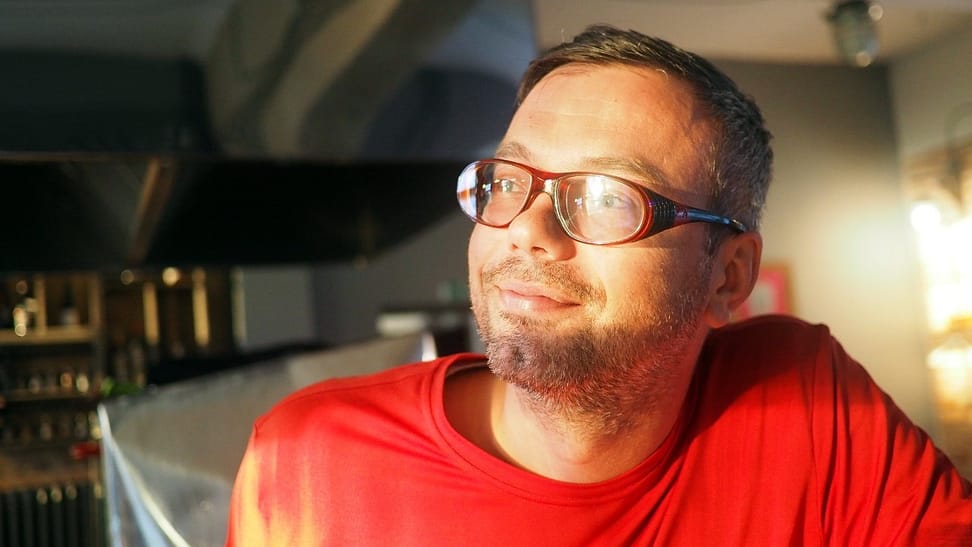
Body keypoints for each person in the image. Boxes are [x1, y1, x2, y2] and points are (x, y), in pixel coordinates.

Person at [226, 24, 972, 545]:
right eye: (507, 179)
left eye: (609, 197)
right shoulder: (307, 462)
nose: (528, 230)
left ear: (728, 276)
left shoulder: (810, 402)